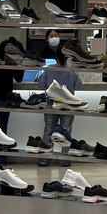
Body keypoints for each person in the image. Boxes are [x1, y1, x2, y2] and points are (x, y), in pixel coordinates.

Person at [34, 29, 80, 168]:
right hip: (68, 104)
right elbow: (78, 85)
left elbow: (41, 85)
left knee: (48, 130)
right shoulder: (71, 70)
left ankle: (44, 160)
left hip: (51, 103)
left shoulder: (49, 68)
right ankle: (64, 160)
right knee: (66, 131)